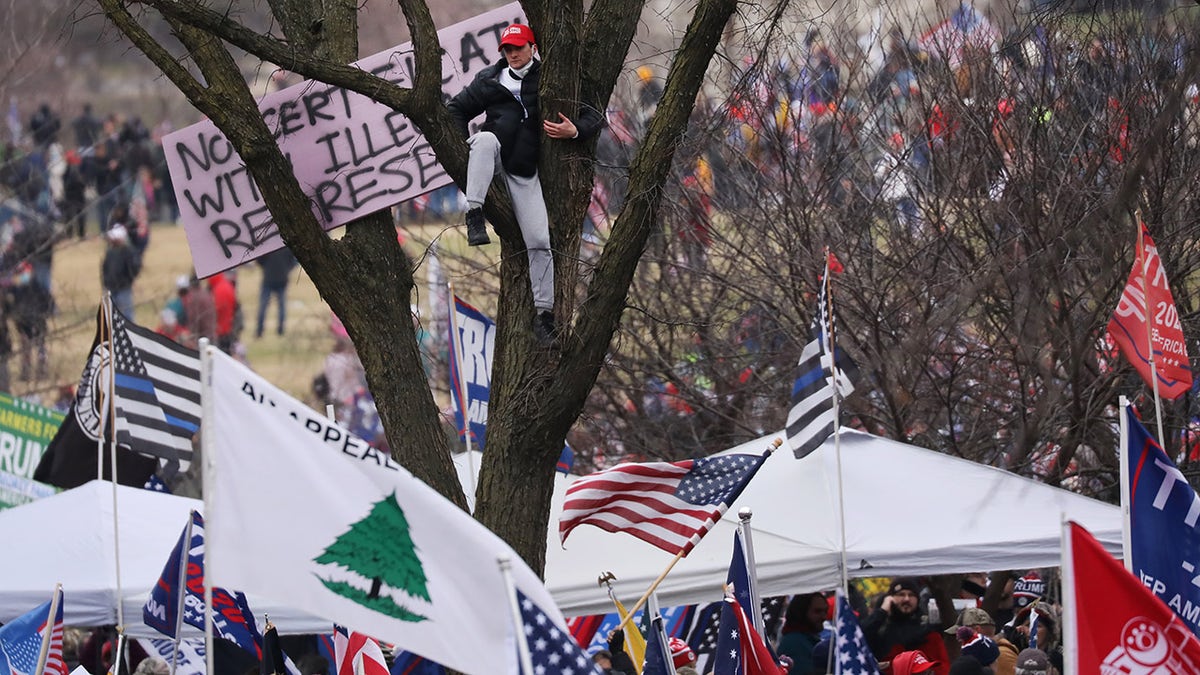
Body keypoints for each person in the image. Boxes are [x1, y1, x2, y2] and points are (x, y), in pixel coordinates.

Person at [446, 22, 604, 344]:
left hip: (523, 170)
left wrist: (575, 132)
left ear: (533, 47)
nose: (513, 53)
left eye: (518, 47)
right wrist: (464, 153)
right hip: (493, 157)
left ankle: (544, 316)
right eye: (507, 49)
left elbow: (594, 112)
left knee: (540, 241)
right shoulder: (489, 79)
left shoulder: (550, 78)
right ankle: (474, 214)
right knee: (484, 140)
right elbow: (456, 110)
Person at [861, 578, 950, 675]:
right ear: (891, 598)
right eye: (901, 594)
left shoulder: (927, 629)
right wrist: (882, 611)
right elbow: (860, 636)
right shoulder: (881, 628)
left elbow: (942, 666)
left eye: (911, 595)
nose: (906, 599)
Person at [778, 592, 827, 674]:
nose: (824, 617)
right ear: (801, 612)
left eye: (825, 611)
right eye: (817, 611)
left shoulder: (808, 640)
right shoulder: (794, 643)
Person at [255, 247, 297, 337]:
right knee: (281, 306)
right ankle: (280, 330)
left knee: (264, 306)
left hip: (269, 278)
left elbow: (259, 260)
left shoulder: (268, 244)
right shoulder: (286, 246)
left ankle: (260, 330)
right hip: (280, 278)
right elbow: (293, 261)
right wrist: (286, 270)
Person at [101, 225, 140, 319]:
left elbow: (134, 268)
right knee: (111, 314)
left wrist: (128, 280)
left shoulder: (129, 252)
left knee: (127, 313)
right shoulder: (109, 252)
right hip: (111, 288)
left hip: (123, 288)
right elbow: (104, 268)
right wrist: (105, 283)